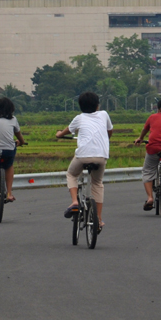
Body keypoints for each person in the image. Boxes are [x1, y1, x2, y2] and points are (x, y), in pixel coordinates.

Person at [55, 91, 112, 232]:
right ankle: (98, 219)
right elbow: (109, 131)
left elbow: (67, 130)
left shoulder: (79, 118)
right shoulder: (104, 115)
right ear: (98, 105)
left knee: (71, 175)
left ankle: (75, 201)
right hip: (101, 155)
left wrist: (59, 134)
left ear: (80, 106)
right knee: (97, 183)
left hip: (83, 156)